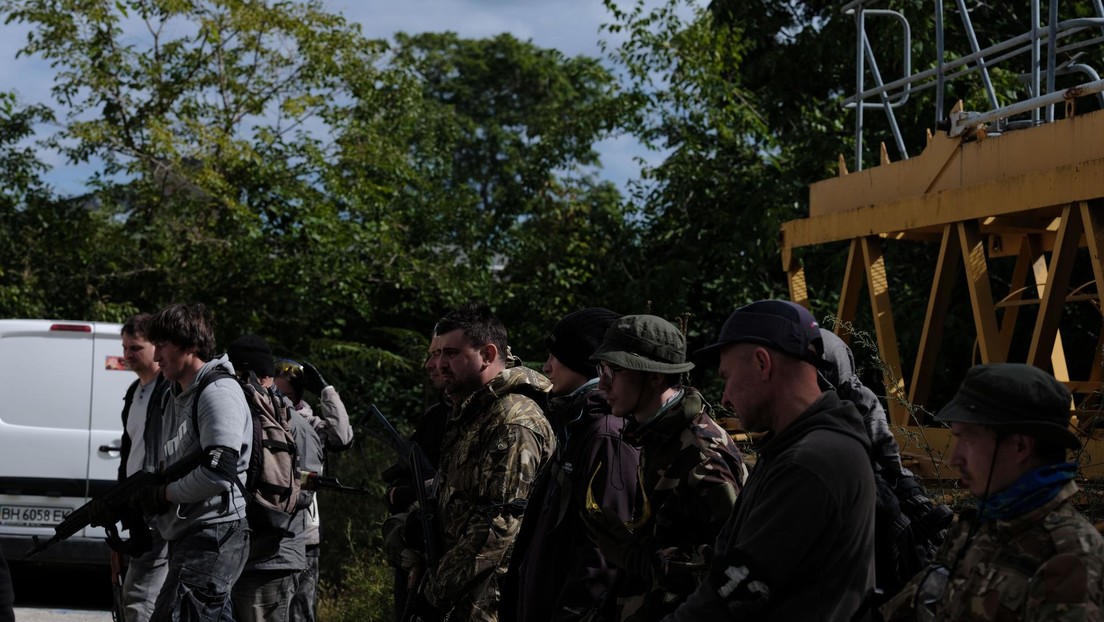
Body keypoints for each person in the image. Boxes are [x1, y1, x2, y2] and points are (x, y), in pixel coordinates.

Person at [663, 299, 876, 620]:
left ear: (763, 363)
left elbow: (733, 593)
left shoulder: (811, 461)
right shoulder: (797, 446)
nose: (724, 397)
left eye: (727, 377)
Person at [882, 363, 1104, 621]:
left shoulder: (1070, 556)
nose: (955, 458)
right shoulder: (976, 528)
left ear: (1020, 446)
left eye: (967, 439)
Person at [584, 314, 746, 622]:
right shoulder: (656, 434)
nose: (602, 383)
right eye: (601, 369)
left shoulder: (701, 454)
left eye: (615, 370)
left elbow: (731, 570)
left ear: (655, 376)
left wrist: (637, 556)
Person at [405, 302, 555, 621]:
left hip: (490, 603)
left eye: (451, 353)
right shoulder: (472, 412)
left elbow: (499, 525)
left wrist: (436, 594)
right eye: (436, 353)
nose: (438, 363)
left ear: (486, 355)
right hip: (461, 596)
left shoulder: (512, 421)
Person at [503, 307, 640, 622]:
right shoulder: (577, 424)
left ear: (584, 361)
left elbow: (602, 551)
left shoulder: (604, 433)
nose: (547, 367)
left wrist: (570, 614)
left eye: (557, 357)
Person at [144, 303, 252, 621]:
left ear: (191, 346)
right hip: (197, 534)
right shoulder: (182, 393)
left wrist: (164, 494)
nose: (156, 356)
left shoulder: (217, 392)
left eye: (162, 345)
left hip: (216, 533)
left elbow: (220, 471)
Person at [227, 335, 324, 622]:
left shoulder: (296, 425)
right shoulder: (245, 415)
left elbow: (306, 490)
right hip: (246, 555)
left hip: (273, 559)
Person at [273, 356, 353, 622]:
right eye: (275, 393)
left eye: (286, 395)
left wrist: (326, 391)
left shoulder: (312, 423)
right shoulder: (264, 419)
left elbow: (342, 437)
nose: (281, 401)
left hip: (305, 535)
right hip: (269, 529)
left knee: (301, 611)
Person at [382, 329, 452, 621]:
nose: (431, 364)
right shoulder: (435, 415)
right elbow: (399, 480)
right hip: (420, 552)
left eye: (443, 354)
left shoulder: (493, 418)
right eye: (432, 355)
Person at [117, 313, 172, 622]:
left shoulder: (169, 389)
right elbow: (129, 451)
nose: (128, 355)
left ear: (156, 346)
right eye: (125, 347)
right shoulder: (133, 392)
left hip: (159, 503)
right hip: (136, 502)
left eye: (136, 347)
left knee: (139, 594)